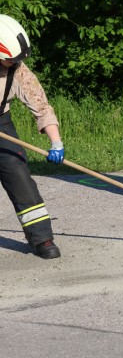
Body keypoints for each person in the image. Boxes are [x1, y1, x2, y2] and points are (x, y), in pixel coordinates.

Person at [0, 15, 65, 259]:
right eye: (10, 60)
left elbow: (41, 105)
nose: (14, 63)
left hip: (1, 123)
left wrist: (55, 142)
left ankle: (42, 238)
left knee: (19, 176)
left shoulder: (17, 69)